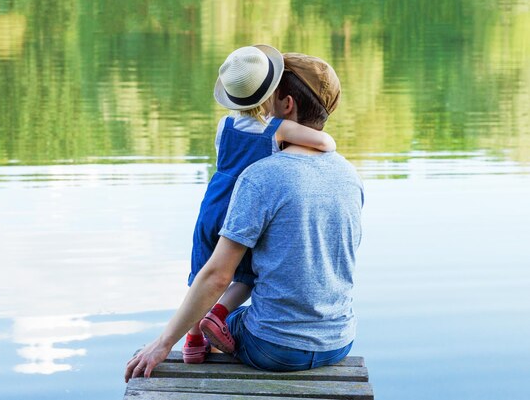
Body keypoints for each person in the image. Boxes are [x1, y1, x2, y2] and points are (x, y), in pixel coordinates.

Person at [125, 52, 363, 381]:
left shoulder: (261, 176)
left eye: (271, 95)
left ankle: (195, 341)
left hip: (273, 348)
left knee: (213, 315)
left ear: (287, 104)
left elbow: (217, 277)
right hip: (339, 342)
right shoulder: (349, 175)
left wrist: (164, 343)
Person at [184, 45, 337, 363]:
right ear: (273, 96)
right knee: (247, 276)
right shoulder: (275, 130)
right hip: (240, 205)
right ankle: (219, 314)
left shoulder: (224, 126)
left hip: (212, 203)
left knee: (202, 272)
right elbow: (325, 142)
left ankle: (193, 340)